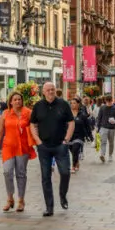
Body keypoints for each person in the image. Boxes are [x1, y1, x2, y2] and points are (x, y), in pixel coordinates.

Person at [29, 82, 74, 216]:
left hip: (61, 145)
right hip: (44, 147)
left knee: (65, 172)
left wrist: (66, 140)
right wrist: (38, 141)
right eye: (48, 90)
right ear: (43, 92)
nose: (50, 92)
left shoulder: (63, 104)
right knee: (45, 177)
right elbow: (32, 124)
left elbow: (71, 123)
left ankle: (62, 195)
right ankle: (49, 207)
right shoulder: (38, 106)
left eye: (53, 89)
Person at [0, 91, 34, 213]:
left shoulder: (28, 113)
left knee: (21, 173)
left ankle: (21, 200)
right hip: (8, 147)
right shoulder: (5, 114)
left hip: (23, 148)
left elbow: (34, 127)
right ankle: (10, 198)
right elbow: (0, 132)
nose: (17, 101)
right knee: (7, 172)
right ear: (10, 101)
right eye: (15, 99)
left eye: (19, 99)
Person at [67, 97, 92, 173]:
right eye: (71, 103)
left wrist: (90, 137)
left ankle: (73, 167)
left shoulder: (82, 115)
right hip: (69, 136)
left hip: (79, 136)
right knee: (72, 151)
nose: (72, 105)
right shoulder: (67, 114)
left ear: (78, 104)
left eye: (74, 103)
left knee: (75, 149)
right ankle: (76, 162)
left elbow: (87, 126)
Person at [96, 94, 115, 162]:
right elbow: (99, 118)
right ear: (105, 100)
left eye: (110, 101)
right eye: (108, 101)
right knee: (103, 142)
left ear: (112, 100)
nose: (109, 103)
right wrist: (98, 128)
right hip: (103, 127)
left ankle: (110, 155)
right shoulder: (102, 108)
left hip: (112, 128)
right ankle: (102, 154)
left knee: (111, 142)